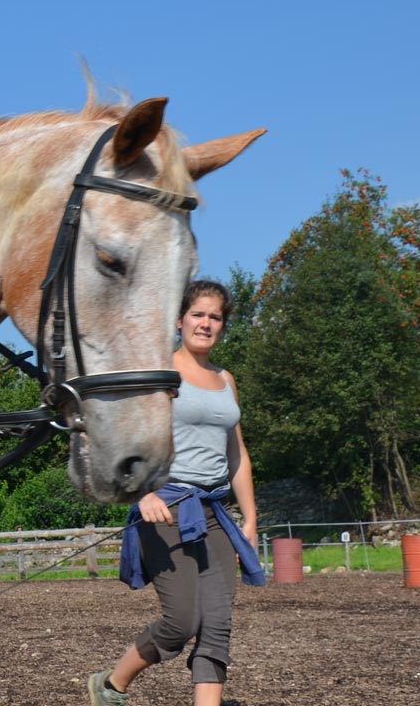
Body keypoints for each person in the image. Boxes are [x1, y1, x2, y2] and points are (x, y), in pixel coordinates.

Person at [88, 280, 266, 706]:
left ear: (223, 325)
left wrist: (251, 518)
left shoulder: (226, 380)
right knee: (182, 620)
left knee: (218, 622)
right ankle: (110, 686)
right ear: (179, 320)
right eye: (198, 314)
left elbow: (235, 451)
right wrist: (141, 495)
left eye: (215, 317)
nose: (206, 323)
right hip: (165, 510)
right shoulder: (159, 371)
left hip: (214, 512)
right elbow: (121, 438)